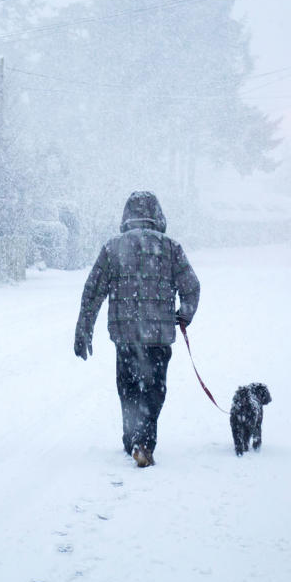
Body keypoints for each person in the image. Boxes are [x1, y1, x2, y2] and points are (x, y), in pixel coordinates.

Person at [74, 191, 200, 468]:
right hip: (158, 338)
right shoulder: (170, 248)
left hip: (126, 335)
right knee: (154, 389)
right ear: (158, 215)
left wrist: (84, 328)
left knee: (128, 386)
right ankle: (143, 442)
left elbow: (93, 291)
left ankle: (133, 437)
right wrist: (183, 315)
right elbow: (191, 287)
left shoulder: (113, 248)